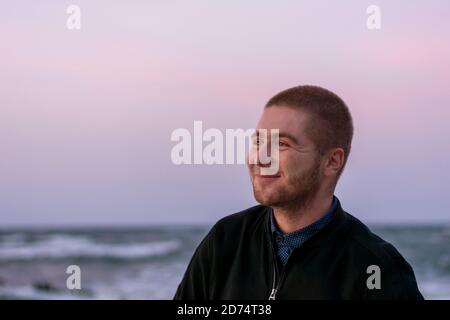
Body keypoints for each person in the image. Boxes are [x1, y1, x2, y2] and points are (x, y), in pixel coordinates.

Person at [174, 85, 423, 300]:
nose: (261, 157)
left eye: (282, 144)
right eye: (259, 141)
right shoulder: (226, 240)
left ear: (331, 161)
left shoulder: (377, 268)